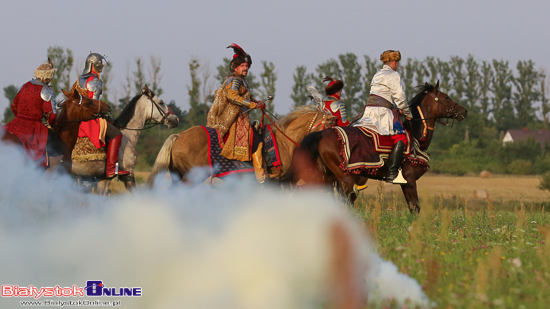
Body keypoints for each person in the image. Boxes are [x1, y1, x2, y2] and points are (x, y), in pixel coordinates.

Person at [207, 43, 266, 183]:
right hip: (235, 119)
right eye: (243, 66)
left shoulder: (242, 81)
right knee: (258, 142)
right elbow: (233, 97)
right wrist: (252, 105)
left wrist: (257, 102)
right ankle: (260, 178)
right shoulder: (235, 80)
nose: (246, 68)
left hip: (241, 116)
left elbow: (245, 96)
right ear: (235, 67)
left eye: (247, 66)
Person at [354, 50, 413, 184]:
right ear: (394, 63)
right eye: (397, 63)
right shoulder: (393, 74)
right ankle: (392, 172)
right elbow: (399, 97)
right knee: (401, 137)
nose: (397, 65)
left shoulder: (377, 74)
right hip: (382, 113)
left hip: (369, 112)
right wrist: (408, 113)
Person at [71, 52, 130, 178]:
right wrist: (106, 114)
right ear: (94, 64)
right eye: (100, 62)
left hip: (77, 119)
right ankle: (110, 168)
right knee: (116, 134)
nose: (102, 65)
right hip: (90, 120)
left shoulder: (78, 81)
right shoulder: (94, 81)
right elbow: (95, 104)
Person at [3, 59, 57, 167]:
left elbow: (14, 106)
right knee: (53, 143)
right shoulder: (46, 90)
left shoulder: (24, 86)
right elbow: (52, 114)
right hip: (34, 126)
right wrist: (50, 123)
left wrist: (19, 117)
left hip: (16, 122)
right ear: (47, 77)